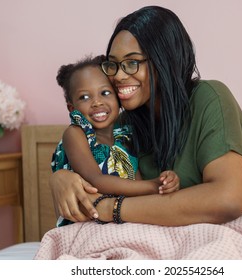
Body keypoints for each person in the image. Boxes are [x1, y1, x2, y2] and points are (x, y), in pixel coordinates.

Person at [49, 5, 242, 226]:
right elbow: (94, 169)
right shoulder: (122, 125)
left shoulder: (209, 99)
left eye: (132, 63)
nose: (119, 76)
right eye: (113, 65)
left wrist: (110, 208)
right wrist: (61, 178)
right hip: (163, 241)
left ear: (165, 60)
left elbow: (229, 198)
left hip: (235, 232)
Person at [53, 54, 180, 225]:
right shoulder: (75, 134)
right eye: (84, 97)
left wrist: (165, 183)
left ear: (118, 99)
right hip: (87, 222)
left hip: (121, 219)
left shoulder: (125, 138)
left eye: (105, 93)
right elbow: (96, 180)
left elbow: (137, 187)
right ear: (71, 107)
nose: (97, 102)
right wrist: (153, 185)